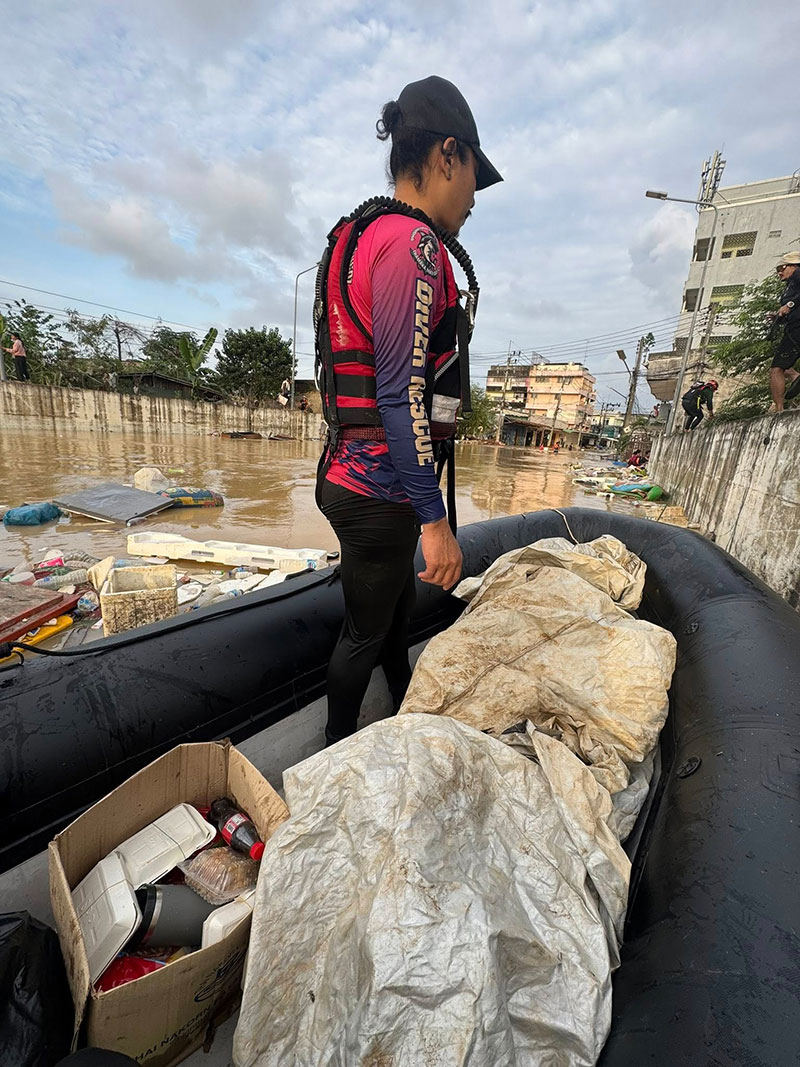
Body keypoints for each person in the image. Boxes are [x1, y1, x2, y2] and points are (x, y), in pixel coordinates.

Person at [314, 75, 502, 746]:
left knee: (391, 618)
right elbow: (399, 396)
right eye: (474, 177)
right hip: (378, 489)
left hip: (354, 474)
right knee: (364, 633)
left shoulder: (364, 233)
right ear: (447, 156)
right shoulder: (414, 246)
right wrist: (434, 522)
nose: (474, 200)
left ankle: (399, 720)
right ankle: (332, 759)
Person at [769, 252, 800, 411]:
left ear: (794, 265)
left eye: (782, 268)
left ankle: (778, 410)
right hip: (793, 327)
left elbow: (792, 304)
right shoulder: (790, 286)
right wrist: (779, 315)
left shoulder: (798, 274)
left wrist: (789, 306)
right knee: (780, 366)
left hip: (797, 328)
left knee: (777, 369)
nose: (780, 272)